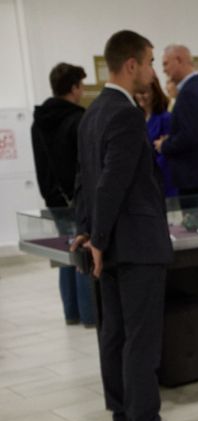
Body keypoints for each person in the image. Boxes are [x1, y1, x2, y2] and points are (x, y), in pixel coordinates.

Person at [72, 30, 195, 421]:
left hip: (111, 242)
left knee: (115, 333)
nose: (152, 70)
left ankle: (124, 416)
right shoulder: (124, 114)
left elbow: (83, 181)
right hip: (135, 244)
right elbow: (112, 181)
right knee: (140, 337)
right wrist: (97, 238)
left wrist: (87, 231)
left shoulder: (92, 112)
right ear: (130, 65)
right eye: (148, 62)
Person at [31, 62, 96, 328]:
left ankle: (72, 312)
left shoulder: (39, 122)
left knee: (64, 257)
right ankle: (90, 315)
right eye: (81, 85)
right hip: (76, 198)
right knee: (82, 254)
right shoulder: (77, 120)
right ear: (74, 88)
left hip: (54, 198)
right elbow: (83, 164)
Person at [157, 44, 198, 199]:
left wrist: (164, 145)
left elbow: (188, 136)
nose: (164, 70)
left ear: (178, 60)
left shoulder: (190, 92)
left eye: (165, 64)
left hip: (194, 178)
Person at [135, 74, 176, 198]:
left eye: (145, 93)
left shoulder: (166, 118)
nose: (141, 96)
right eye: (138, 93)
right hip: (142, 182)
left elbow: (168, 153)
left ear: (155, 92)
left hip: (163, 181)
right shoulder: (136, 119)